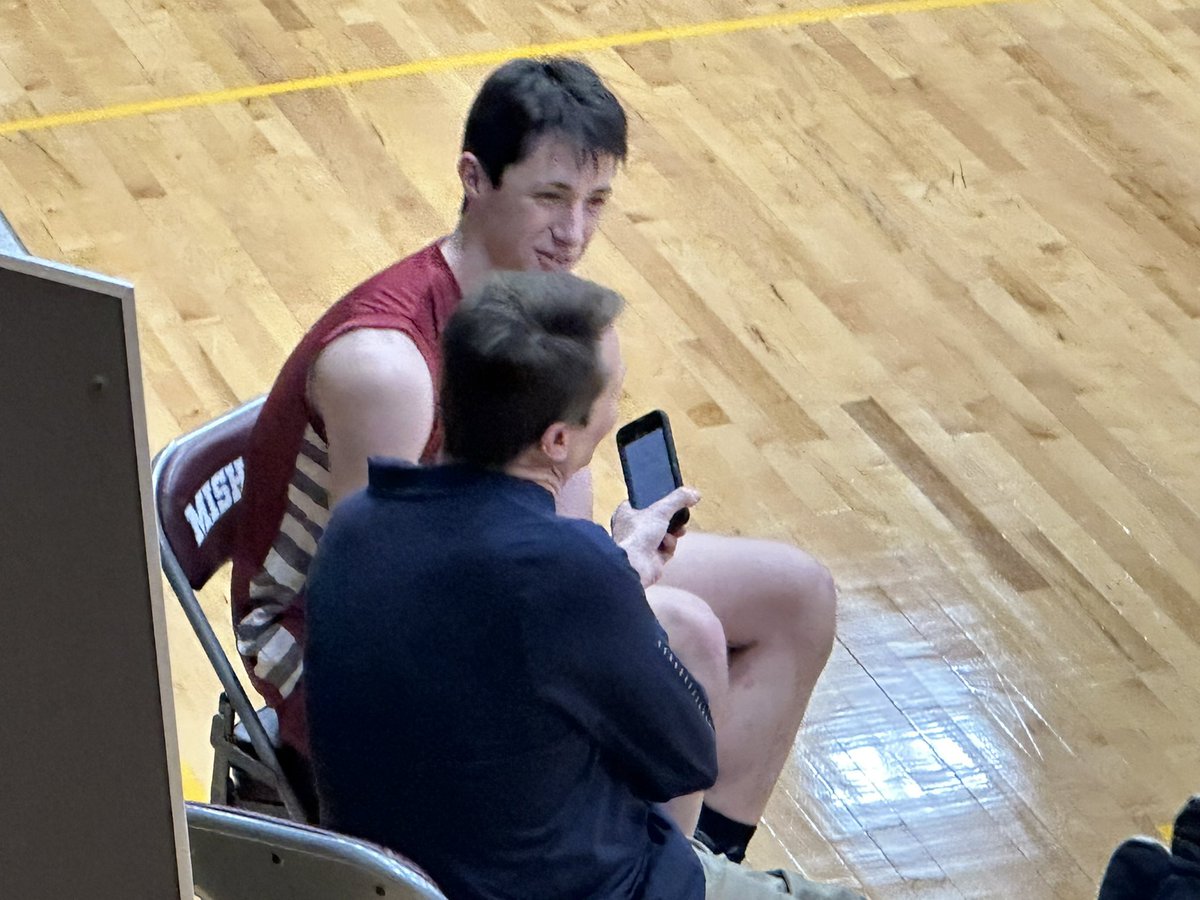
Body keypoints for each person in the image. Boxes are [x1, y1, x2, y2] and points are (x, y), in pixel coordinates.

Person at [232, 57, 838, 857]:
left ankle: (704, 866)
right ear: (473, 178)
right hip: (338, 648)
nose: (575, 233)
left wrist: (605, 567)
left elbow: (556, 507)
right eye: (550, 198)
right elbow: (374, 594)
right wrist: (592, 611)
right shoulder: (389, 367)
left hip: (490, 577)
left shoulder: (545, 318)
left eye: (595, 203)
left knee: (798, 596)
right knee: (683, 637)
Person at [304, 270, 862, 900]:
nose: (617, 410)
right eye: (613, 396)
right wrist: (611, 588)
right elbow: (684, 762)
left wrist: (610, 576)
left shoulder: (357, 523)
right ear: (558, 440)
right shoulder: (565, 574)